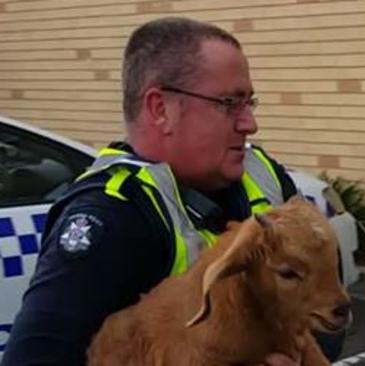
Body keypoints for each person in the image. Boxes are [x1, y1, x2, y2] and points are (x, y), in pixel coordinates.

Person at [2, 17, 344, 366]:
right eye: (229, 103)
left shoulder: (266, 175)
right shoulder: (110, 215)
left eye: (249, 103)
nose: (249, 123)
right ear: (160, 108)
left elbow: (326, 324)